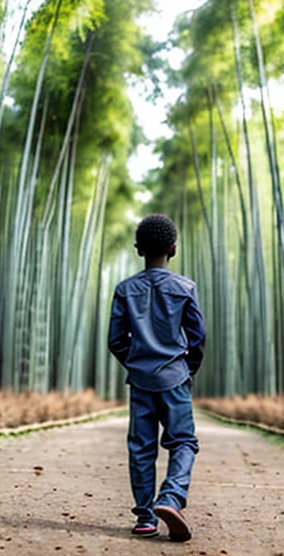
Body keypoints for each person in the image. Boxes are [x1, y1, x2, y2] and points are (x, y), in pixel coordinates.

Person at [107, 214, 206, 542]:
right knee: (183, 442)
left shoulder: (125, 290)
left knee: (141, 446)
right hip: (174, 379)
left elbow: (116, 340)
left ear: (138, 250)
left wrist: (135, 364)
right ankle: (172, 497)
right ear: (173, 249)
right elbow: (197, 337)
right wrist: (187, 370)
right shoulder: (185, 287)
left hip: (141, 381)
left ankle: (146, 518)